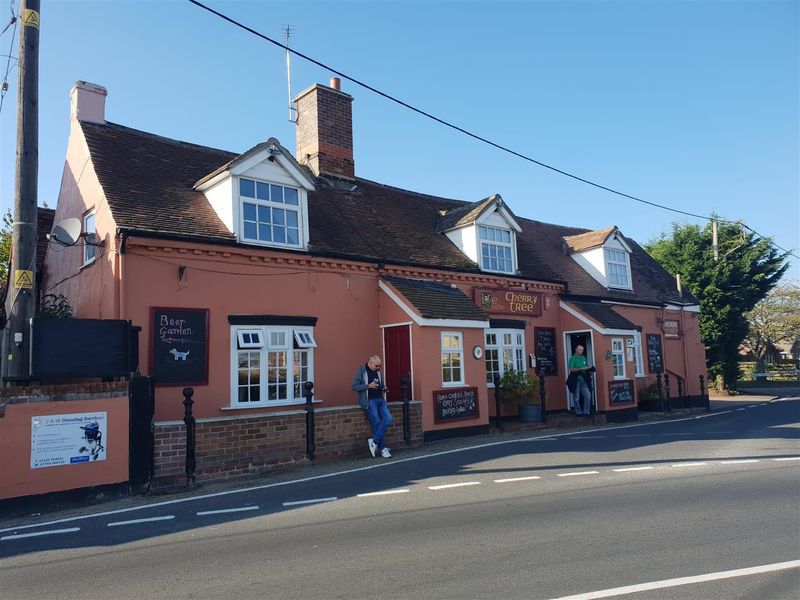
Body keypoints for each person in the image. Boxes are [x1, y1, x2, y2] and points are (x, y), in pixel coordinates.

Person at [352, 355, 393, 458]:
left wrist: (384, 388)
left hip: (380, 399)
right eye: (377, 366)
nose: (378, 368)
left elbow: (381, 384)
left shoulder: (378, 371)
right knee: (376, 423)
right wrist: (368, 386)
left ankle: (374, 442)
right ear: (370, 362)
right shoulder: (361, 371)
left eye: (380, 366)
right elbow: (354, 386)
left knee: (388, 418)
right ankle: (383, 449)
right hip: (369, 401)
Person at [566, 345, 593, 415]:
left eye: (582, 350)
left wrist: (589, 369)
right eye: (580, 350)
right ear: (576, 350)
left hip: (583, 379)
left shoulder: (583, 357)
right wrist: (581, 369)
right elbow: (571, 369)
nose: (581, 351)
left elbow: (586, 367)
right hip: (576, 379)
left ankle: (586, 411)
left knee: (588, 395)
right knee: (576, 397)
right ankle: (578, 412)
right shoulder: (573, 358)